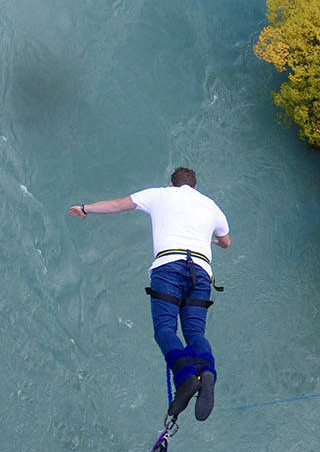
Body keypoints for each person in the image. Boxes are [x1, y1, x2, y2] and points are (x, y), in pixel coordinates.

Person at [69, 168, 230, 421]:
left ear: (172, 183)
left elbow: (116, 205)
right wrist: (212, 240)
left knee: (166, 330)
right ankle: (207, 372)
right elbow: (226, 240)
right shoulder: (211, 206)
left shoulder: (159, 195)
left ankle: (186, 377)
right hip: (201, 271)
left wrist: (85, 208)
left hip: (168, 268)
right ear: (195, 187)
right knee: (195, 334)